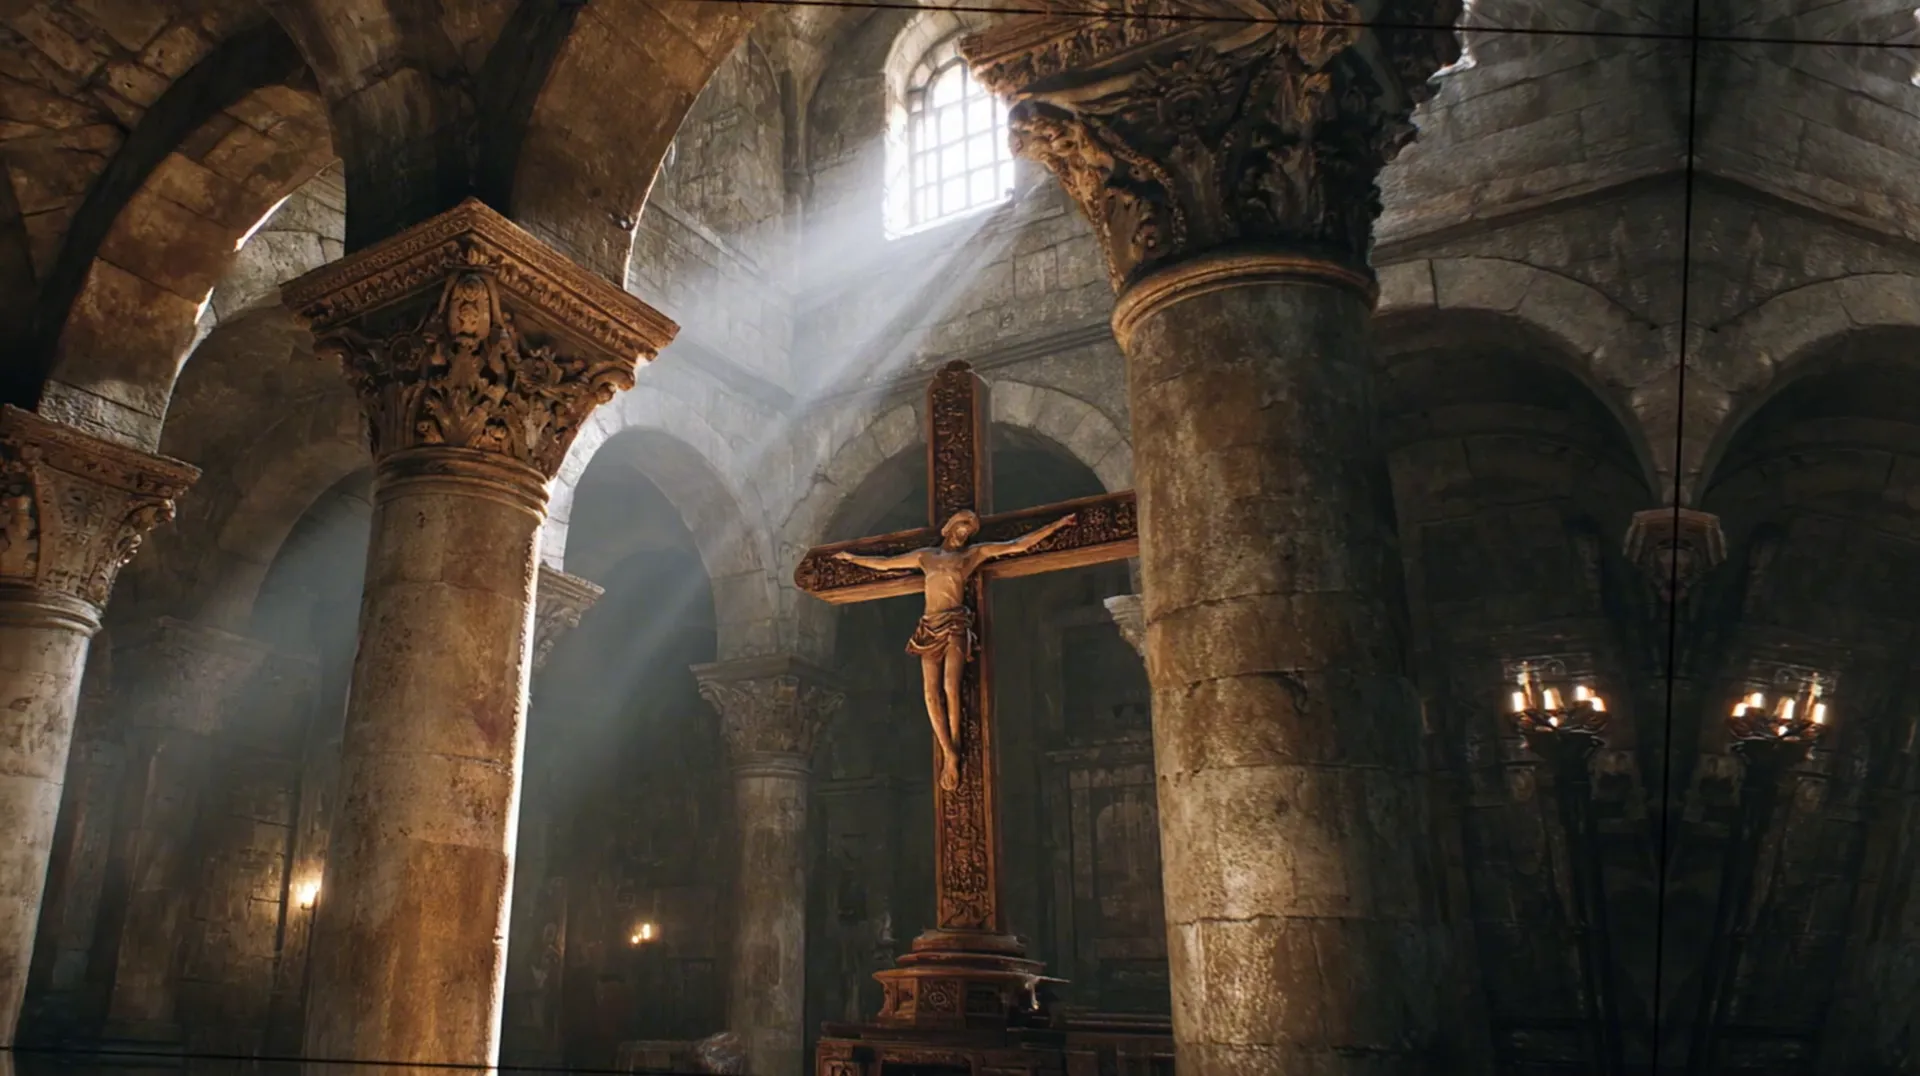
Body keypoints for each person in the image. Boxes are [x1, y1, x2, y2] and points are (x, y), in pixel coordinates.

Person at [834, 508, 1076, 789]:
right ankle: (947, 748)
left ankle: (953, 752)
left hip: (955, 625)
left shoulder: (971, 556)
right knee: (929, 692)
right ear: (949, 529)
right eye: (961, 528)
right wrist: (852, 559)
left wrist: (1057, 525)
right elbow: (887, 564)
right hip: (929, 626)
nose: (964, 535)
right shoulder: (926, 556)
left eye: (968, 532)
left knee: (951, 687)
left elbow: (1016, 545)